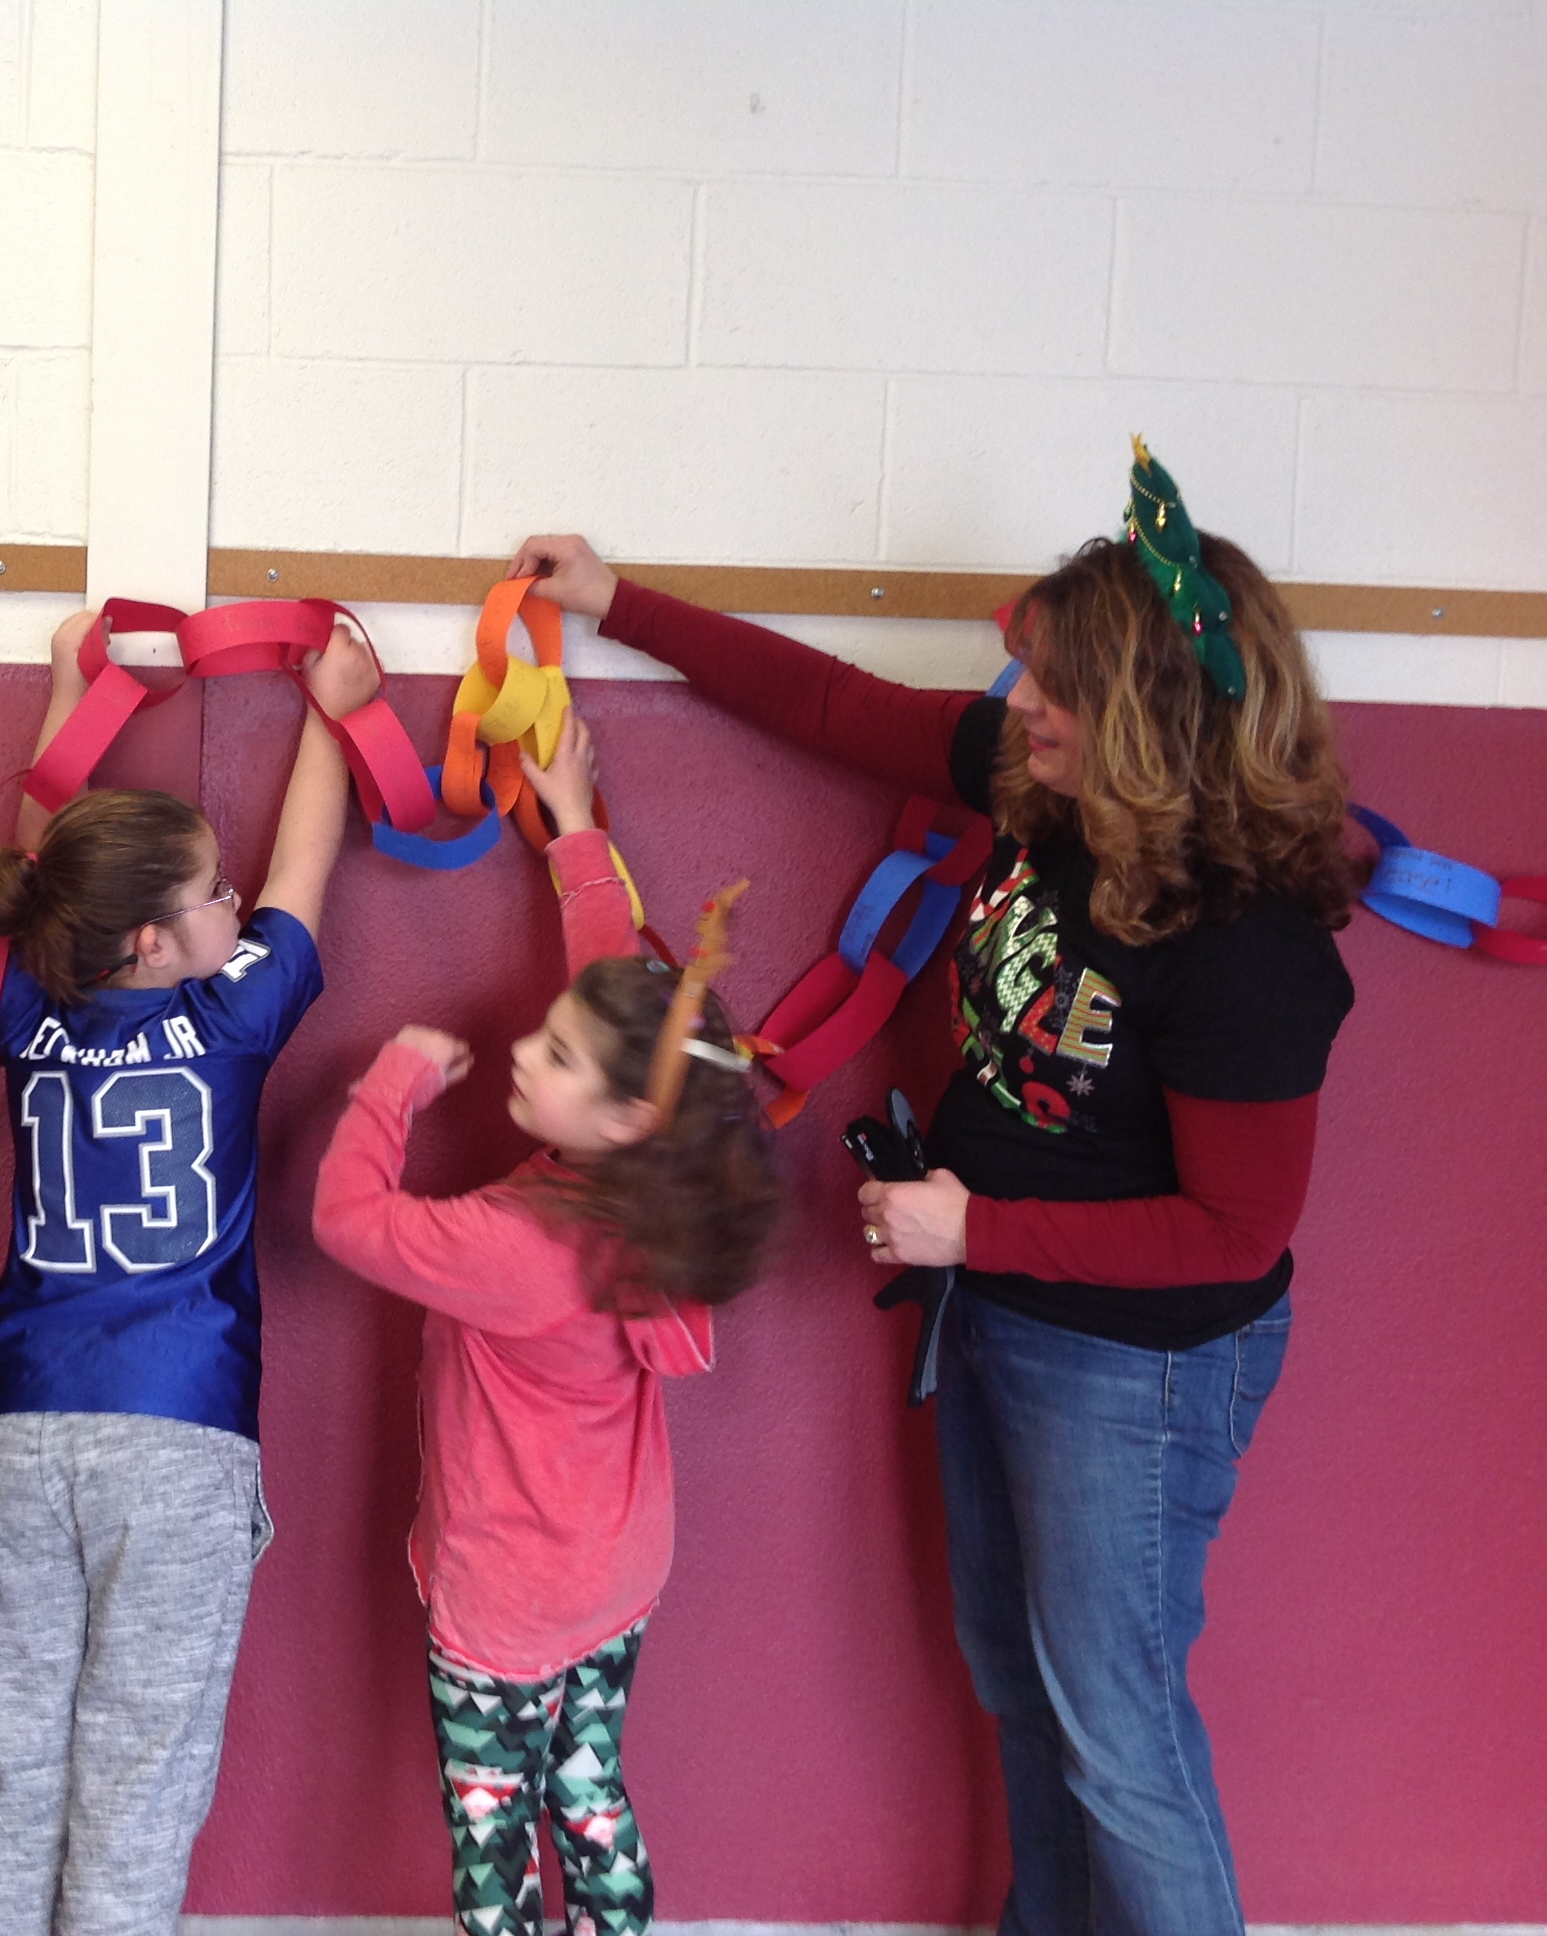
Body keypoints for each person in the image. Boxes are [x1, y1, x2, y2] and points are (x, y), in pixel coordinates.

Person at [509, 443, 1357, 1936]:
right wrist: (616, 599)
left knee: (1117, 1728)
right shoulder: (1051, 801)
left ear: (1154, 724)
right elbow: (839, 708)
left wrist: (975, 1224)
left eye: (1056, 686)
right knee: (1019, 1683)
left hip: (1137, 1367)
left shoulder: (1249, 949)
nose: (1019, 702)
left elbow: (1240, 1231)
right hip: (1004, 1314)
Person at [310, 708, 780, 1936]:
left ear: (621, 1116)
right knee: (590, 1785)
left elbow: (353, 1223)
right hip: (613, 1579)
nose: (530, 1044)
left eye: (557, 1055)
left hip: (506, 1598)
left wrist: (391, 1086)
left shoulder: (519, 1247)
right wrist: (576, 832)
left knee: (491, 1822)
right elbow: (612, 990)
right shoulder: (650, 1206)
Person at [0, 608, 382, 1936]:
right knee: (142, 1765)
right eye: (209, 893)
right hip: (179, 1434)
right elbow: (307, 867)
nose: (235, 899)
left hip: (25, 1427)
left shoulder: (28, 1008)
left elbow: (45, 865)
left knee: (13, 1746)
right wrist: (335, 714)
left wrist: (67, 694)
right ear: (147, 944)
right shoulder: (232, 1019)